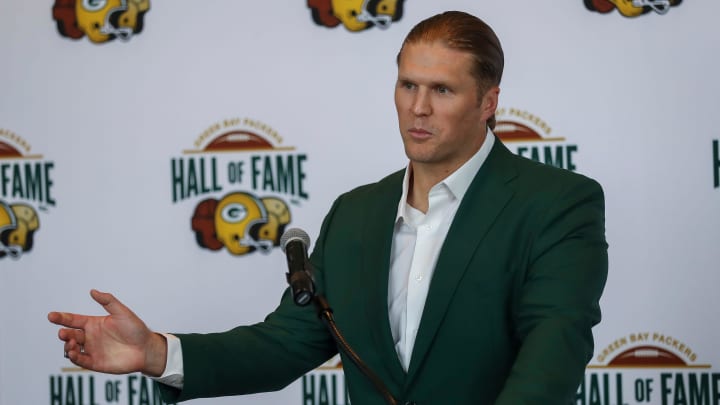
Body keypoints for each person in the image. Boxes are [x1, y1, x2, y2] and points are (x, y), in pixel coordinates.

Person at [48, 10, 608, 404]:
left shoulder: (558, 204)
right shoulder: (356, 214)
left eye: (442, 90)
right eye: (406, 85)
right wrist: (154, 353)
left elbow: (551, 356)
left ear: (489, 103)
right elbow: (286, 344)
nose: (417, 108)